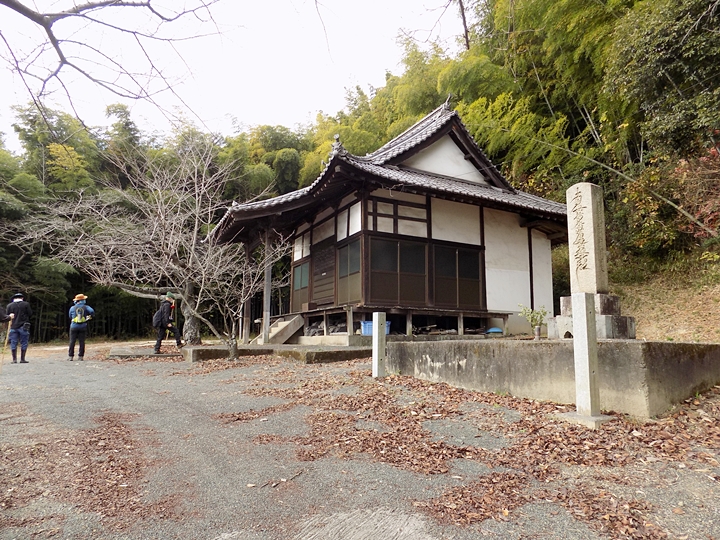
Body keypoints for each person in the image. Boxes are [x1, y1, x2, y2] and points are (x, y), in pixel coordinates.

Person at [68, 293, 95, 361]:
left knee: (72, 341)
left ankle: (70, 356)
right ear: (82, 300)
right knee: (82, 342)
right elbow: (92, 311)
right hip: (83, 326)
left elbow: (70, 316)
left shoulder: (72, 308)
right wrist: (90, 316)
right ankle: (80, 356)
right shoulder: (86, 307)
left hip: (73, 326)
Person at [6, 292, 32, 364]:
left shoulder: (9, 305)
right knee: (24, 342)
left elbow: (7, 316)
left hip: (13, 326)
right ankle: (22, 359)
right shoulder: (26, 304)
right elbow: (30, 313)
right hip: (23, 326)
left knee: (13, 342)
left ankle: (14, 359)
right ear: (22, 298)